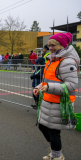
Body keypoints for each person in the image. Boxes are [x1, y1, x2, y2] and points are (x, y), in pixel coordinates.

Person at [33, 32, 80, 160]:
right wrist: (38, 87)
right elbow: (48, 80)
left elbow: (72, 85)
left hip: (59, 103)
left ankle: (57, 156)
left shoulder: (67, 62)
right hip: (48, 101)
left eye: (53, 45)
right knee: (42, 126)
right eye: (49, 45)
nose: (50, 48)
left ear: (63, 45)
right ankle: (54, 152)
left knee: (54, 132)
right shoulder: (52, 59)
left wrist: (49, 88)